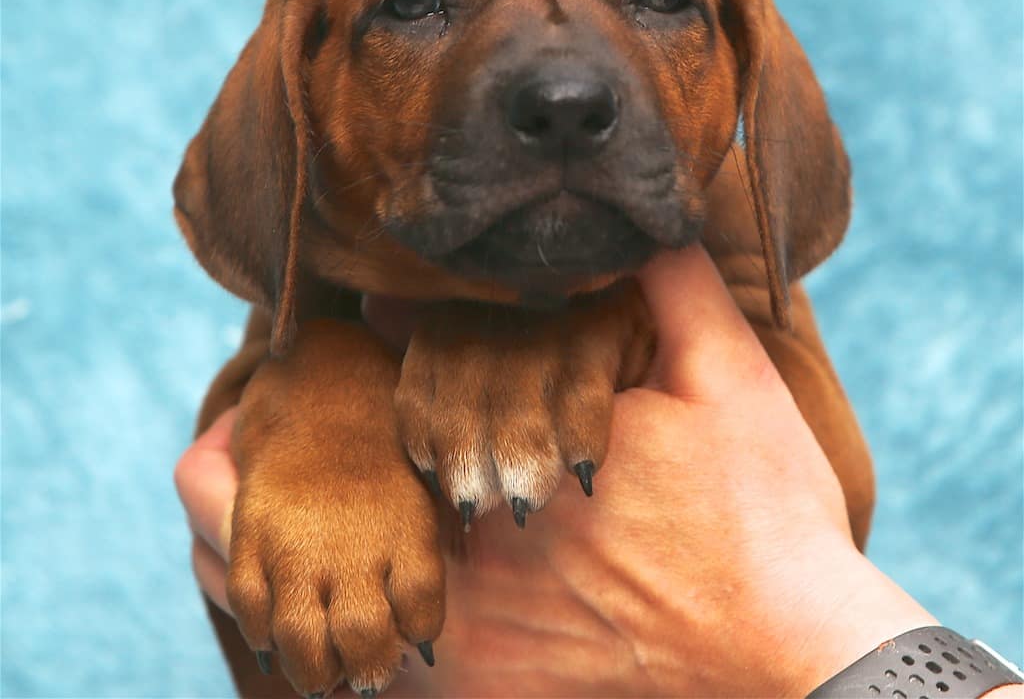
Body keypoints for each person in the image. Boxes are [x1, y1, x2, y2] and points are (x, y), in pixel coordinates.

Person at [175, 248, 1022, 698]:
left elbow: (829, 494)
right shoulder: (334, 274)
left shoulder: (725, 242)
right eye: (417, 3)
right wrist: (318, 399)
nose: (563, 86)